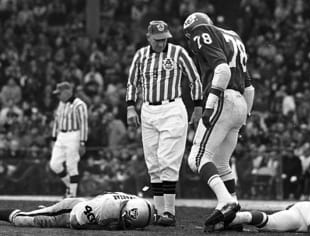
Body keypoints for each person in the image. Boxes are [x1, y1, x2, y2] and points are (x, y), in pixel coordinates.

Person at [182, 12, 255, 232]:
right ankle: (235, 215)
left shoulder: (201, 32)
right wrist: (243, 119)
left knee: (196, 158)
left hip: (223, 98)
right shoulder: (233, 36)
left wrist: (211, 102)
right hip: (241, 102)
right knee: (222, 163)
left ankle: (226, 201)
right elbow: (250, 87)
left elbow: (221, 69)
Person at [126, 20, 202, 226]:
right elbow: (132, 82)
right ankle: (160, 212)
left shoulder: (178, 53)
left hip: (172, 108)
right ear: (149, 37)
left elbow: (194, 78)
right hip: (148, 109)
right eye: (158, 39)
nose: (161, 43)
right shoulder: (141, 56)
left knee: (167, 159)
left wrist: (197, 106)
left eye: (164, 39)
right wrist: (131, 107)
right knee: (153, 163)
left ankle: (169, 211)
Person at [0, 192, 154, 230]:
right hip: (71, 211)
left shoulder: (137, 202)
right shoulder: (106, 209)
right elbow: (75, 221)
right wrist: (102, 227)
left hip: (84, 204)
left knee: (43, 211)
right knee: (23, 219)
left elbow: (148, 211)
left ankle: (46, 209)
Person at [50, 81, 88, 198]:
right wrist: (53, 137)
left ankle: (72, 194)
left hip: (73, 135)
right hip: (61, 135)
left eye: (59, 93)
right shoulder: (61, 104)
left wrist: (82, 142)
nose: (58, 96)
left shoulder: (80, 104)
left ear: (67, 92)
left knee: (72, 165)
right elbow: (57, 120)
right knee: (54, 164)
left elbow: (83, 124)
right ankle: (69, 186)